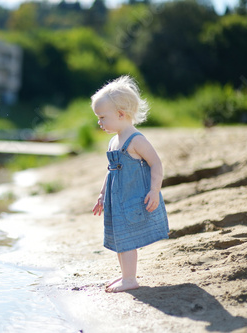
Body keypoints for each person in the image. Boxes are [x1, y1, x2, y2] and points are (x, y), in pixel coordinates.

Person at [91, 75, 169, 293]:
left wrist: (155, 190)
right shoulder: (114, 140)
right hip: (117, 200)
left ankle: (130, 279)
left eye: (102, 117)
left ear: (120, 114)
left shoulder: (136, 140)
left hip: (132, 199)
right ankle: (126, 275)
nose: (99, 122)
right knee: (119, 239)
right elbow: (111, 171)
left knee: (128, 240)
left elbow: (156, 164)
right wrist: (101, 194)